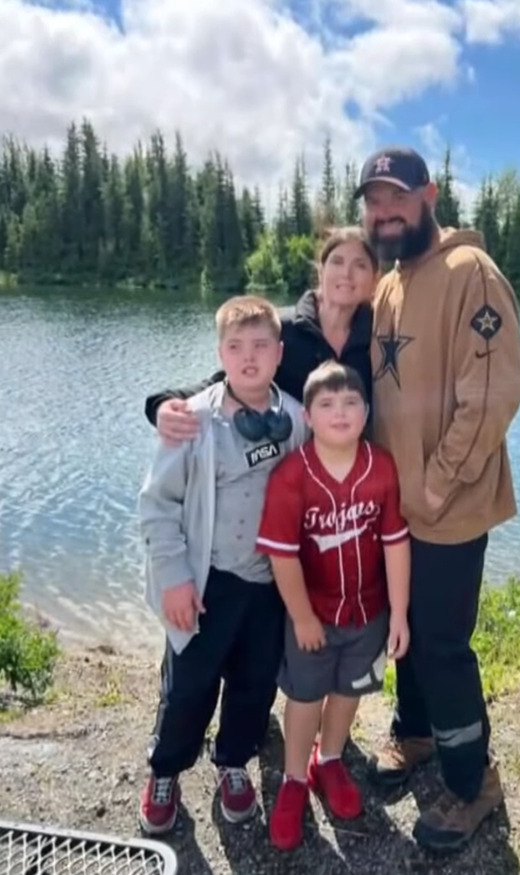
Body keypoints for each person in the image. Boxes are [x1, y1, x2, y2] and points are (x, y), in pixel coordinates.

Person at [354, 146, 520, 852]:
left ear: (429, 195)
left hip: (448, 505)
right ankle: (416, 733)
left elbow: (493, 395)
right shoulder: (392, 281)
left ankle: (470, 781)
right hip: (399, 507)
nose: (384, 212)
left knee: (443, 644)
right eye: (373, 201)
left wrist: (435, 480)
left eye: (396, 197)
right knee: (406, 626)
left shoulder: (469, 273)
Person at [137, 295, 308, 835]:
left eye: (261, 346)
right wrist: (174, 580)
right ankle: (166, 770)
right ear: (220, 353)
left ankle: (233, 763)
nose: (249, 358)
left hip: (269, 587)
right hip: (207, 583)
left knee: (256, 684)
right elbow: (157, 504)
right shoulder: (193, 421)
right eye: (236, 347)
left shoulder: (299, 421)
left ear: (280, 354)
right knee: (188, 685)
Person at [255, 361, 411, 851]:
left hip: (369, 614)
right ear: (309, 415)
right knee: (304, 699)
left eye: (350, 403)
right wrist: (301, 616)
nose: (339, 412)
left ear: (367, 411)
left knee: (348, 693)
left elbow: (395, 544)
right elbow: (281, 556)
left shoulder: (381, 466)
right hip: (313, 616)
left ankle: (331, 760)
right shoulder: (292, 475)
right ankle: (295, 779)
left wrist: (400, 614)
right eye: (326, 404)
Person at [143, 227, 378, 440]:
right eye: (337, 262)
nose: (346, 274)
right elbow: (228, 381)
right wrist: (163, 404)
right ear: (321, 270)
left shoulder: (380, 337)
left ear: (374, 278)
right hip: (286, 470)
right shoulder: (283, 327)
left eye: (360, 265)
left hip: (351, 473)